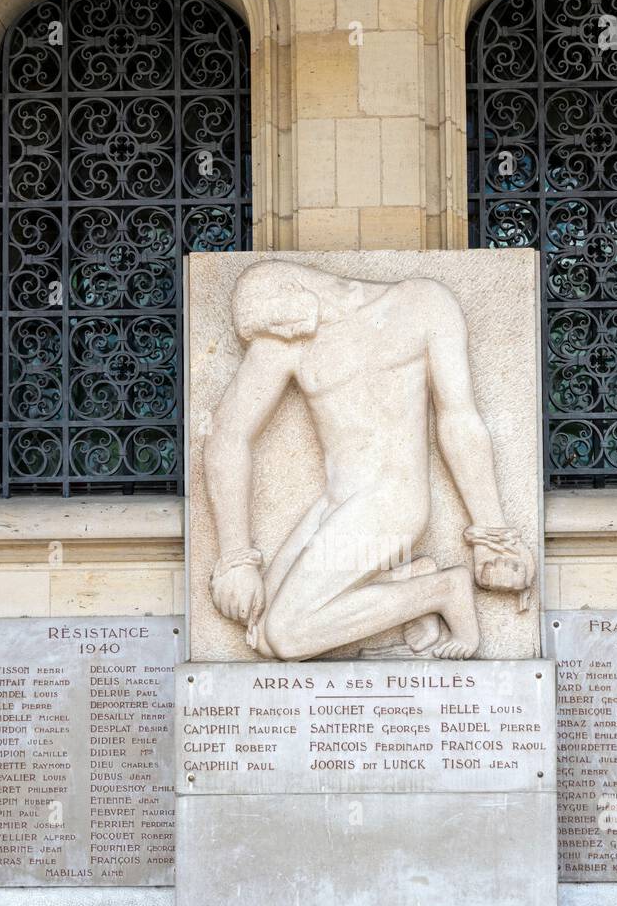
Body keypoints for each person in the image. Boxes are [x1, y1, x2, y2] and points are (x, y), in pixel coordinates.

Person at [204, 260, 534, 660]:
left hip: (393, 502)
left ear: (292, 291)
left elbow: (458, 418)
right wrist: (236, 559)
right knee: (264, 636)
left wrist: (492, 533)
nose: (277, 336)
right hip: (337, 504)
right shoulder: (286, 334)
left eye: (271, 325)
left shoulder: (425, 303)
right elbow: (228, 434)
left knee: (289, 634)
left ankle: (444, 591)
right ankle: (407, 579)